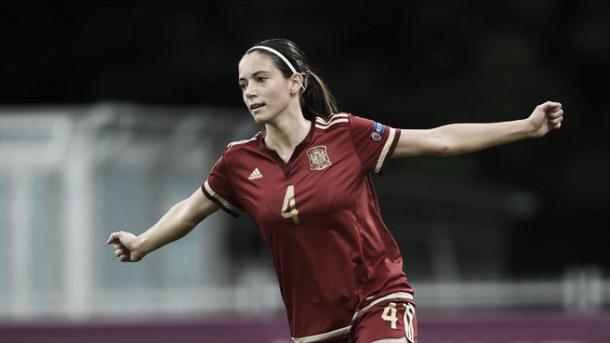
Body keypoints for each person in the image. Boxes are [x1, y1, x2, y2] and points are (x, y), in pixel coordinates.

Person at [106, 38, 564, 343]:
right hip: (313, 327)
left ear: (295, 83)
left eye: (261, 79)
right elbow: (189, 209)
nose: (250, 91)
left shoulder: (346, 135)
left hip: (379, 296)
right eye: (243, 83)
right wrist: (143, 243)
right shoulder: (238, 163)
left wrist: (525, 127)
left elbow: (440, 140)